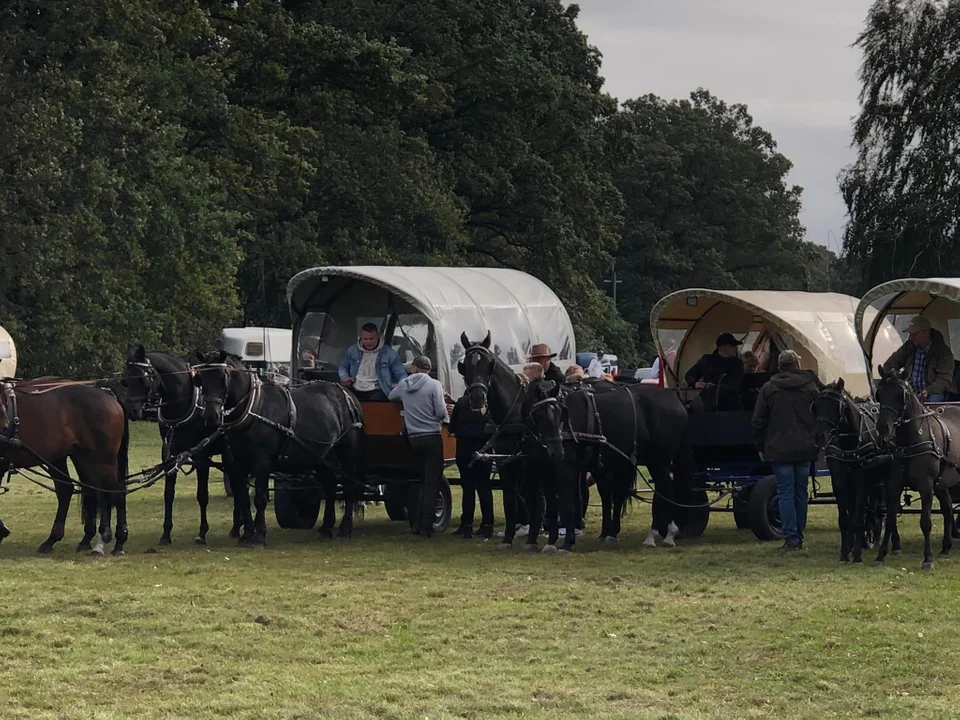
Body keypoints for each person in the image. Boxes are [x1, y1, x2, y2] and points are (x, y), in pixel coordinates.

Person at [751, 350, 822, 551]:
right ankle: (799, 535)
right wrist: (816, 440)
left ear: (780, 366)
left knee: (785, 493)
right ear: (797, 365)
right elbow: (821, 415)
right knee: (801, 492)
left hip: (779, 447)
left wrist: (760, 446)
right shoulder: (811, 386)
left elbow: (758, 421)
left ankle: (791, 539)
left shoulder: (769, 388)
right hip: (805, 447)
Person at [389, 356, 448, 538]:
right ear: (429, 369)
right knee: (432, 482)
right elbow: (440, 410)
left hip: (413, 437)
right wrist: (446, 417)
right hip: (431, 436)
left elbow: (392, 396)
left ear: (414, 368)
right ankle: (426, 526)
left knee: (418, 480)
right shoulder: (434, 385)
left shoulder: (404, 384)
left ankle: (415, 523)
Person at [448, 392, 494, 539]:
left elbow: (452, 427)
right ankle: (487, 524)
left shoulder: (461, 403)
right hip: (483, 449)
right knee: (484, 487)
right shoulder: (489, 404)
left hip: (464, 450)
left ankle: (467, 524)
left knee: (467, 488)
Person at [882, 315, 955, 402]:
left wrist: (928, 391)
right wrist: (893, 375)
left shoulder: (943, 352)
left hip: (931, 393)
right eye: (910, 334)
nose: (911, 337)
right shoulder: (909, 346)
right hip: (910, 390)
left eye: (915, 334)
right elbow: (891, 363)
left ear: (926, 332)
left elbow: (944, 379)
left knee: (933, 400)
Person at [339, 323, 406, 401]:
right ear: (361, 338)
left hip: (378, 390)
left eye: (371, 339)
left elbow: (401, 375)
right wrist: (344, 377)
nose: (368, 342)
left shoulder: (390, 353)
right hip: (355, 388)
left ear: (377, 337)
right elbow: (343, 366)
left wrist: (399, 385)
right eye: (365, 339)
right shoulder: (352, 350)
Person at [684, 333, 745, 411]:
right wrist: (697, 384)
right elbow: (689, 375)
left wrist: (713, 387)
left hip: (730, 404)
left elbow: (734, 384)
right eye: (733, 346)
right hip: (709, 403)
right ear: (723, 347)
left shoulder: (737, 363)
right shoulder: (706, 360)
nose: (736, 349)